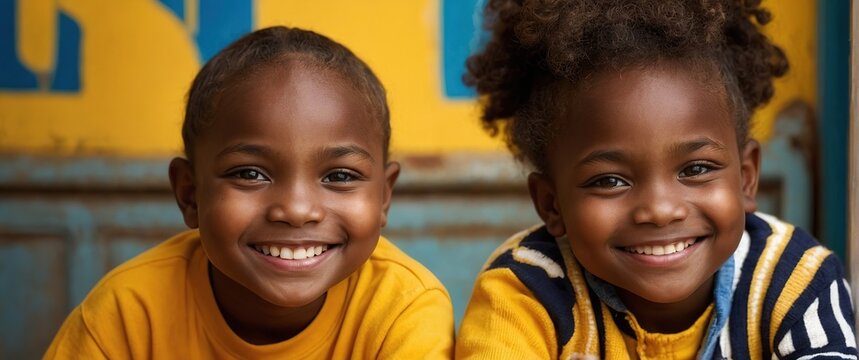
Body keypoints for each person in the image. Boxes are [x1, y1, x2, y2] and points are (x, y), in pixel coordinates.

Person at [455, 1, 857, 359]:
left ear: (747, 177)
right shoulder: (526, 294)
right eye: (610, 181)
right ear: (551, 203)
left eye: (696, 169)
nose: (660, 210)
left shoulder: (795, 279)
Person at [45, 26, 454, 359]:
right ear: (189, 194)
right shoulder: (129, 313)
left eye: (340, 177)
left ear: (384, 196)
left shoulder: (402, 310)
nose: (296, 209)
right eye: (250, 173)